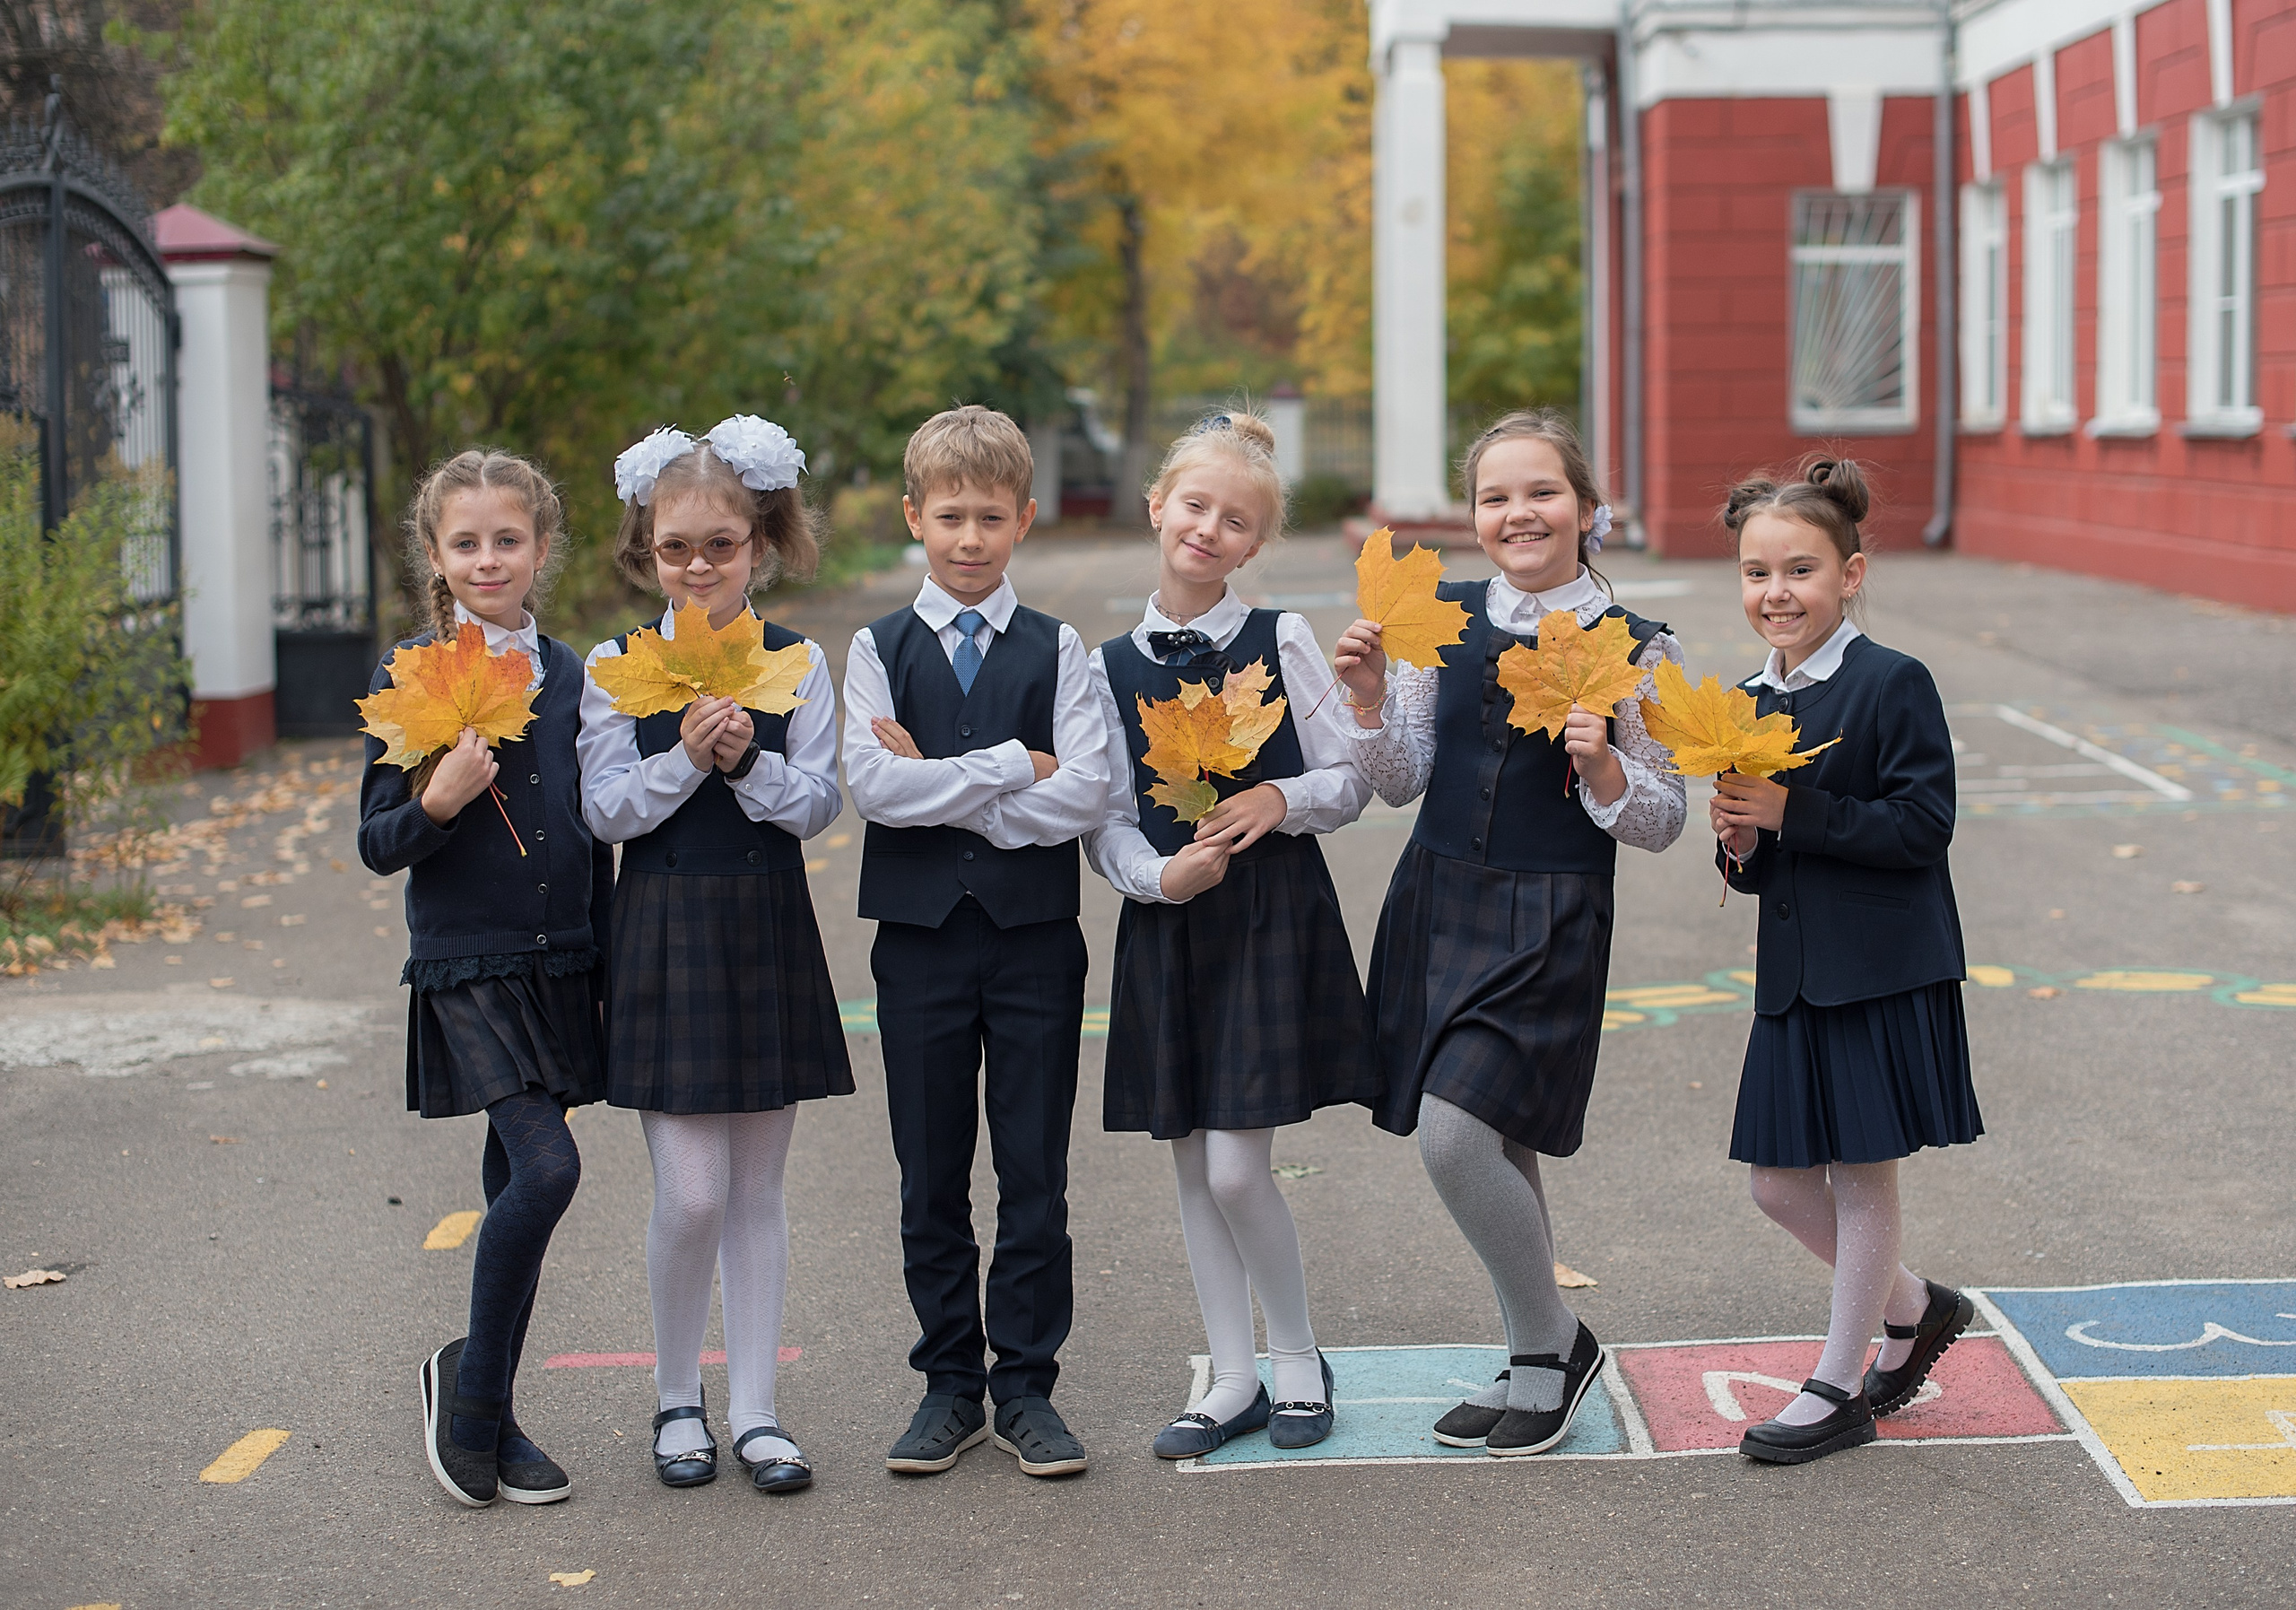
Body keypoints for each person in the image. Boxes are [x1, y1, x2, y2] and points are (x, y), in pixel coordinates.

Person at [1332, 408, 1685, 1458]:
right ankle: (1537, 1350)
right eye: (1495, 497)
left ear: (1587, 509)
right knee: (1494, 1137)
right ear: (1473, 515)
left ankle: (1553, 1343)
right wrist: (1365, 701)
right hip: (1437, 896)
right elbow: (1400, 778)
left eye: (1541, 492)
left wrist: (1603, 766)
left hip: (1549, 912)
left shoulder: (1638, 646)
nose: (1518, 513)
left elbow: (1663, 818)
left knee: (1454, 1137)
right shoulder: (1437, 616)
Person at [1084, 410, 1378, 1459]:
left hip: (1265, 919)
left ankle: (1296, 1357)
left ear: (1255, 543)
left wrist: (1280, 799)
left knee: (1238, 1172)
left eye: (1236, 520)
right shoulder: (1103, 664)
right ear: (1157, 506)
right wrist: (1158, 877)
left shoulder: (1280, 639)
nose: (1209, 529)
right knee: (1190, 1166)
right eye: (1195, 506)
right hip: (1172, 924)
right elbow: (1105, 816)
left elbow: (1350, 776)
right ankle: (1231, 1376)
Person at [578, 417, 848, 1495]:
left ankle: (757, 1412)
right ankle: (675, 1396)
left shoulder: (796, 660)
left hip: (763, 922)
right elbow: (604, 811)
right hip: (662, 928)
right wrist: (687, 762)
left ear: (760, 543)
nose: (698, 566)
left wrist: (748, 766)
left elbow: (818, 803)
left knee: (755, 1190)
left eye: (721, 545)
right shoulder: (615, 665)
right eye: (675, 547)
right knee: (691, 1193)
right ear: (646, 549)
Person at [842, 404, 1109, 1478]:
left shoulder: (1059, 646)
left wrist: (943, 783)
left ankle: (1027, 1387)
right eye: (948, 516)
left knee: (1035, 1170)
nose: (967, 538)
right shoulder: (875, 648)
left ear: (1023, 521)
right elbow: (875, 789)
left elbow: (1085, 793)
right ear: (914, 515)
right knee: (930, 1173)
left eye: (989, 518)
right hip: (917, 947)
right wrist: (1011, 767)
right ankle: (948, 1383)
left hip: (1035, 942)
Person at [1709, 457, 1981, 1465]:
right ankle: (1913, 1305)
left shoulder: (1891, 681)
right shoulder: (1741, 701)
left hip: (1879, 969)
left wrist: (1794, 811)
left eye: (1800, 570)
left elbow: (1922, 826)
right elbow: (1756, 866)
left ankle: (1837, 1386)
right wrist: (1741, 845)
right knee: (1777, 1186)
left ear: (1850, 574)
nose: (1775, 592)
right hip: (1794, 975)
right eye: (1756, 572)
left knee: (1863, 1178)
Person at [359, 449, 609, 1509]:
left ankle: (494, 1412)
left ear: (541, 548)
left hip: (563, 961)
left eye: (508, 539)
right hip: (466, 962)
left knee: (513, 1183)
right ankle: (468, 1397)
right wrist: (441, 799)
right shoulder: (410, 671)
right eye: (466, 542)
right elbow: (378, 842)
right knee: (549, 1172)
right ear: (435, 553)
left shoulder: (573, 671)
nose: (488, 558)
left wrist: (608, 954)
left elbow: (596, 826)